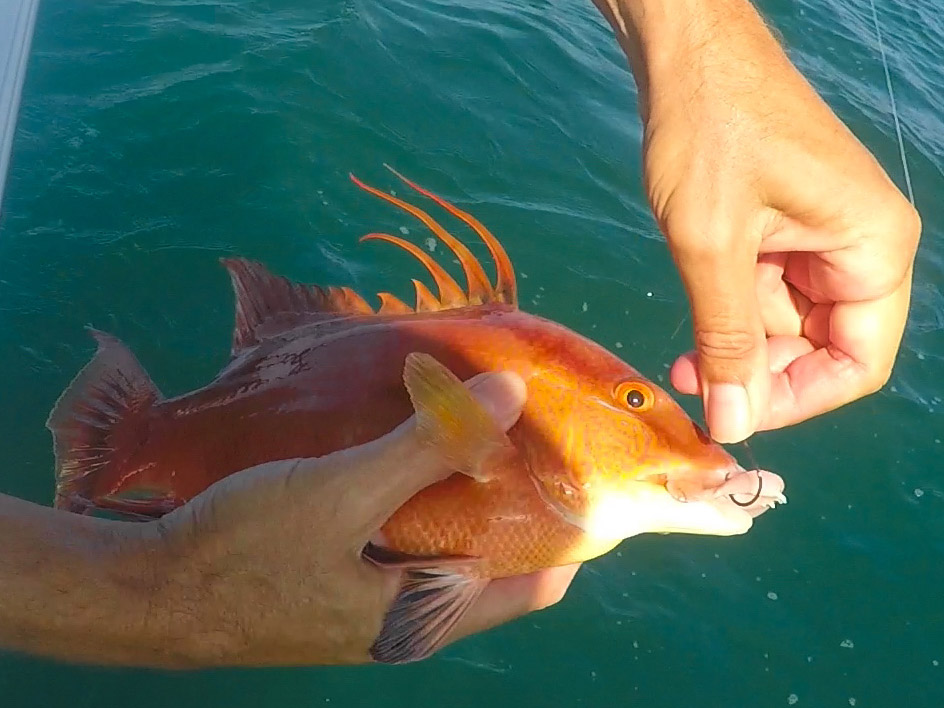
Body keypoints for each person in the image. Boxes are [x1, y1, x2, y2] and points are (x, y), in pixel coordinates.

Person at [0, 0, 920, 667]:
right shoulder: (502, 455)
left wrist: (700, 47)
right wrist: (161, 594)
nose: (673, 424)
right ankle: (129, 448)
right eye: (635, 400)